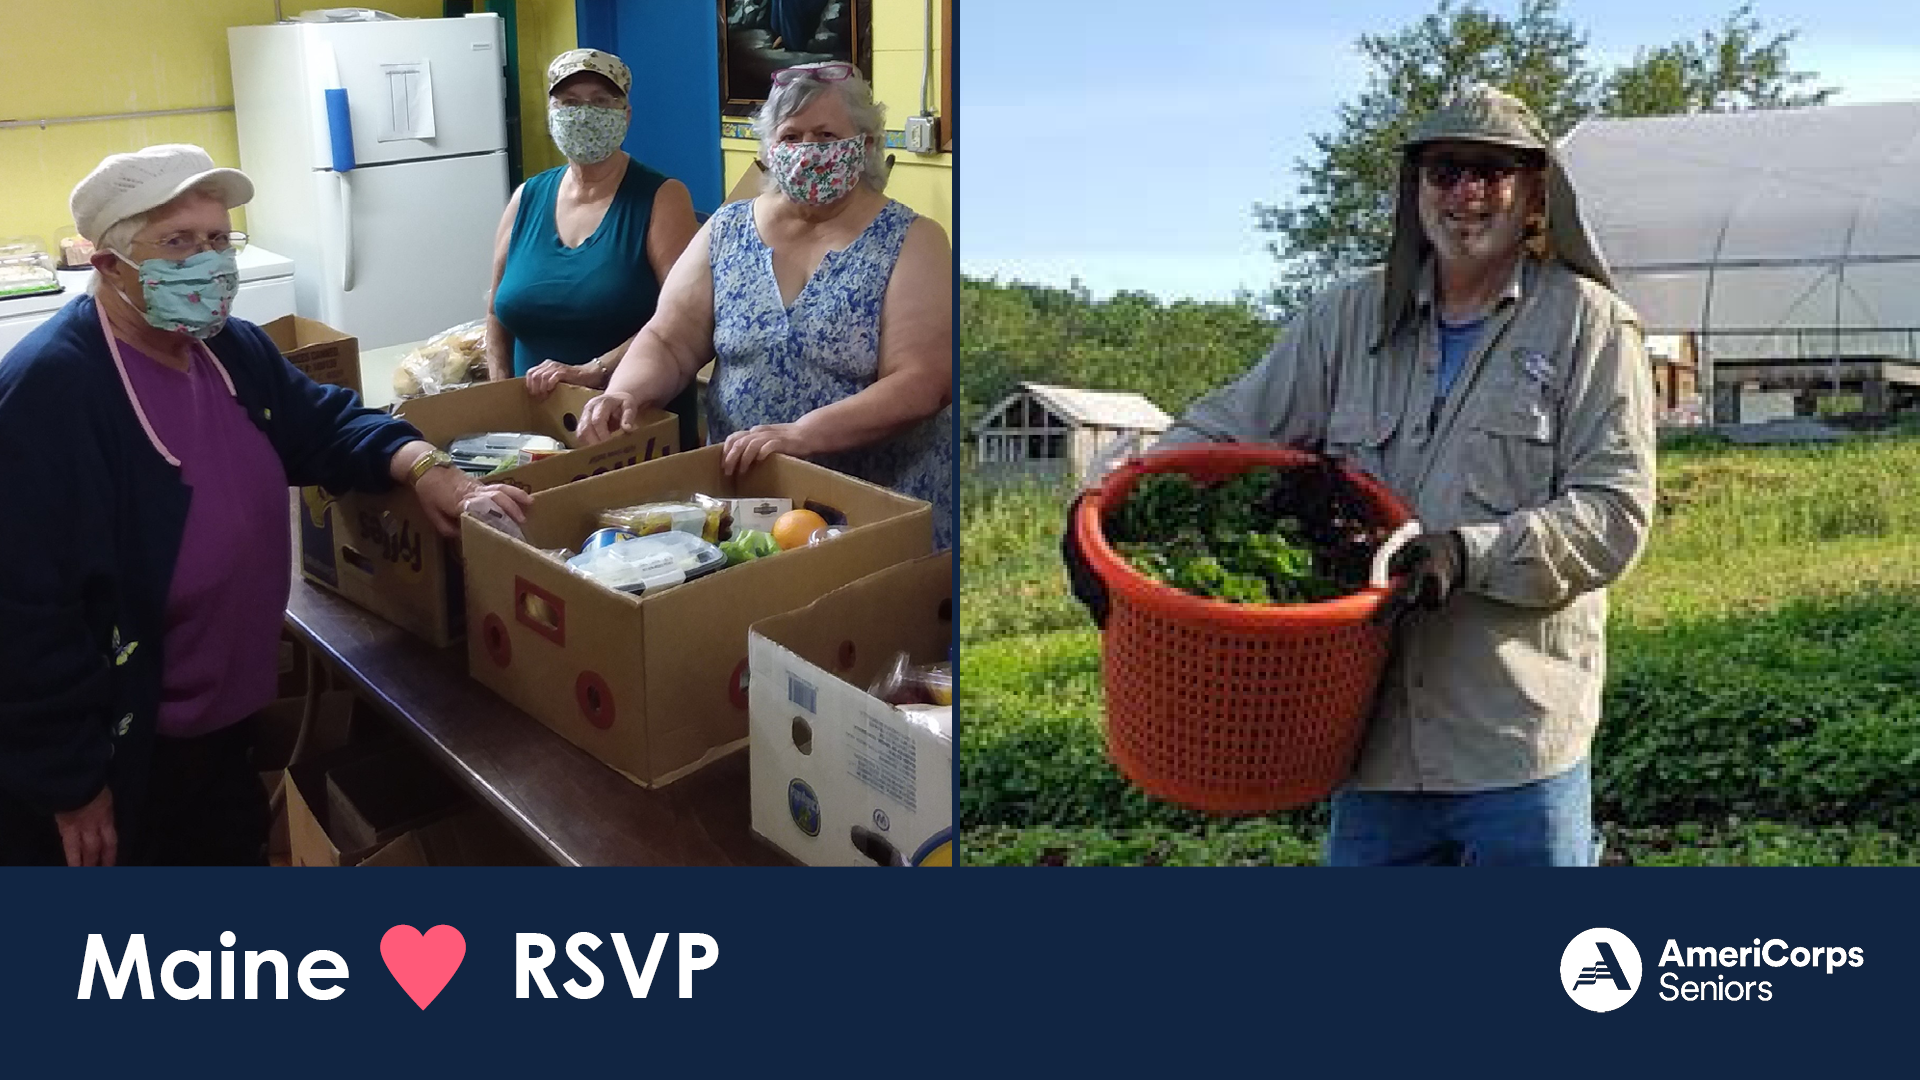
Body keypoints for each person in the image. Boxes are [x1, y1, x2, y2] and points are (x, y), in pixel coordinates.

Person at [1073, 86, 1656, 866]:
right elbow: (1231, 424)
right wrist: (1107, 507)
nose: (1466, 195)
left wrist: (1468, 553)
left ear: (1535, 194)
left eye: (1492, 172)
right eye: (1444, 172)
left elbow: (1614, 513)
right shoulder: (1347, 322)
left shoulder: (1588, 326)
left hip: (1514, 737)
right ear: (1415, 191)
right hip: (1369, 736)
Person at [0, 144, 530, 867]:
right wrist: (70, 783)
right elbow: (26, 614)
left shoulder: (229, 349)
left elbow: (327, 422)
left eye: (218, 239)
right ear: (109, 264)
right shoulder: (50, 392)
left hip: (219, 733)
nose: (208, 262)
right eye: (178, 242)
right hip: (124, 755)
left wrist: (426, 465)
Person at [577, 61, 954, 549]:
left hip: (872, 508)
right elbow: (670, 338)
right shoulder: (726, 230)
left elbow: (923, 382)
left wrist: (802, 434)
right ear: (770, 150)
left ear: (864, 144)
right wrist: (625, 392)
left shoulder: (913, 239)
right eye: (791, 137)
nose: (807, 151)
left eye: (825, 135)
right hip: (749, 501)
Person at [488, 48, 702, 449]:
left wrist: (594, 370)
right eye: (569, 103)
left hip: (628, 431)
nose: (584, 114)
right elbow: (495, 312)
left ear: (626, 115)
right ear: (551, 115)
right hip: (531, 434)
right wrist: (500, 395)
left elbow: (686, 320)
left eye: (601, 101)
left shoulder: (661, 198)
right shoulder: (526, 197)